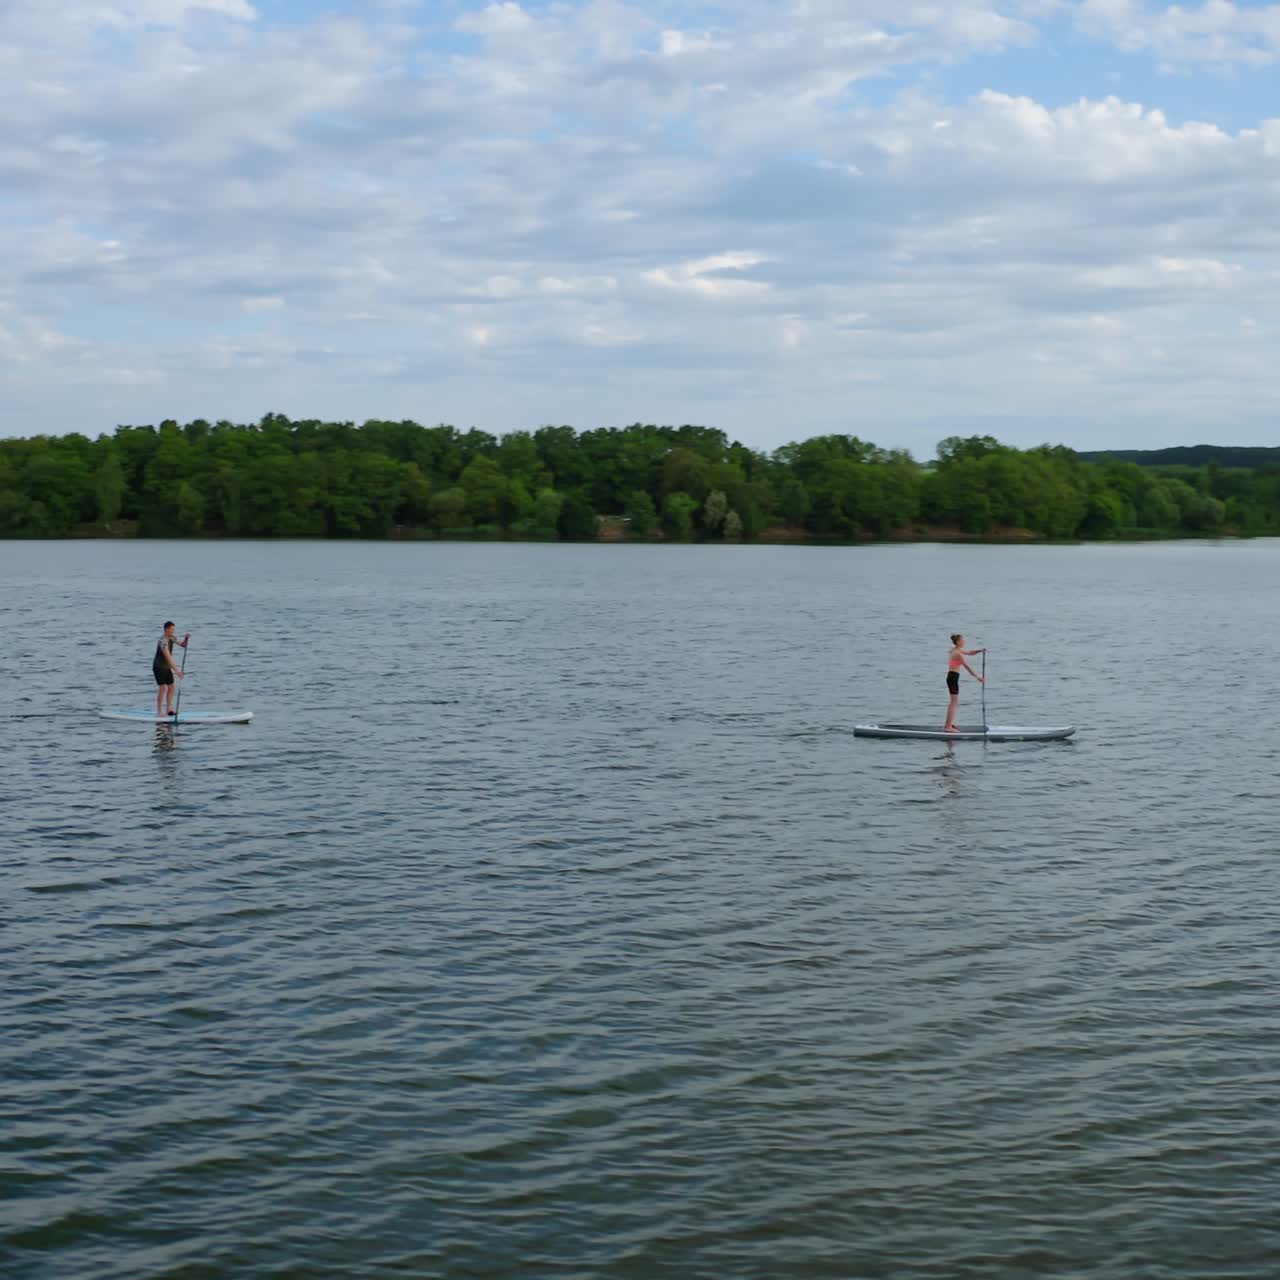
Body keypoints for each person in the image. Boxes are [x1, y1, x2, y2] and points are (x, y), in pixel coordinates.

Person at [944, 633, 984, 733]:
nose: (964, 642)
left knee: (953, 702)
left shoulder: (956, 650)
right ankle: (948, 727)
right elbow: (967, 667)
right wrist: (978, 677)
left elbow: (970, 652)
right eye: (962, 640)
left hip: (952, 677)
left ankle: (948, 724)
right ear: (958, 642)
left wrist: (979, 651)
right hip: (953, 678)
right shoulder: (957, 654)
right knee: (954, 702)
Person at [153, 622, 190, 717]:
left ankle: (169, 710)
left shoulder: (172, 637)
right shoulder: (163, 642)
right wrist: (177, 671)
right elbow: (168, 658)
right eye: (172, 629)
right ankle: (159, 712)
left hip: (166, 667)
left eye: (174, 629)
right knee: (163, 688)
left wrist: (186, 639)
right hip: (159, 667)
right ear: (166, 629)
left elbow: (183, 645)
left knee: (171, 687)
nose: (173, 631)